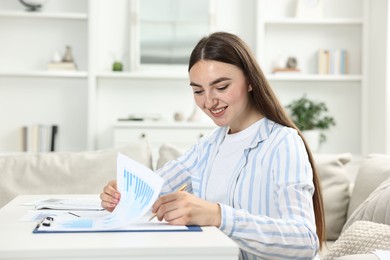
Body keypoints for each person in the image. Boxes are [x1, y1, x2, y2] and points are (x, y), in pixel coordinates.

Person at [100, 31, 325, 259]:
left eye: (221, 87)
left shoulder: (283, 143)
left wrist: (218, 216)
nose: (208, 102)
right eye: (198, 91)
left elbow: (304, 240)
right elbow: (153, 189)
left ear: (249, 81)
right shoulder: (208, 147)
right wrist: (123, 193)